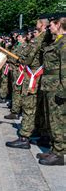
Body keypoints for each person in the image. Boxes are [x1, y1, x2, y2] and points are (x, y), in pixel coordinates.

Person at [6, 16, 51, 149]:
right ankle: (43, 135)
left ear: (42, 25)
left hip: (33, 77)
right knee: (39, 108)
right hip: (41, 77)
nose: (35, 25)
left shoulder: (38, 40)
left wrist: (20, 59)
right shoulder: (48, 39)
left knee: (29, 107)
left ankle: (24, 137)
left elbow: (27, 59)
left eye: (37, 23)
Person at [36, 13, 65, 166]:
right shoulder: (55, 42)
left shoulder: (64, 43)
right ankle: (54, 149)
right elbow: (41, 46)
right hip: (50, 87)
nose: (49, 28)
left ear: (58, 24)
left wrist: (63, 90)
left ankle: (59, 154)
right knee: (51, 121)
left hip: (57, 88)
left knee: (58, 121)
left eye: (52, 25)